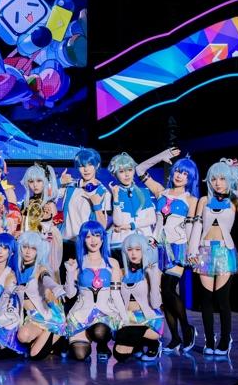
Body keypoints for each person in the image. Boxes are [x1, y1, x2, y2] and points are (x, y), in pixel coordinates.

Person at [135, 148, 199, 353]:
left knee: (169, 288)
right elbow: (139, 169)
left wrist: (192, 251)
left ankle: (187, 329)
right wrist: (162, 156)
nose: (180, 175)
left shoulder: (191, 200)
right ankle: (175, 338)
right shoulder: (160, 191)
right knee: (162, 294)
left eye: (186, 174)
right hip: (157, 248)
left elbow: (193, 228)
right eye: (178, 171)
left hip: (178, 247)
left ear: (191, 179)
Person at [189, 159, 238, 356]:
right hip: (205, 251)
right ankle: (209, 341)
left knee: (222, 299)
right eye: (214, 179)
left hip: (225, 252)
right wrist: (192, 251)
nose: (218, 183)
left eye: (222, 178)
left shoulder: (234, 200)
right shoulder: (204, 200)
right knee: (206, 300)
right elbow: (197, 226)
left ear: (229, 179)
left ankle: (225, 340)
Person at [63, 220, 126, 361]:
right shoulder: (77, 263)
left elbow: (116, 294)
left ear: (103, 238)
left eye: (97, 235)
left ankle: (102, 345)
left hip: (105, 313)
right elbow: (70, 294)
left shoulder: (112, 263)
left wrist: (124, 318)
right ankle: (86, 337)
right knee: (80, 354)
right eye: (88, 236)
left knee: (99, 332)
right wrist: (70, 273)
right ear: (83, 240)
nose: (93, 240)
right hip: (81, 315)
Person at [14, 233, 69, 360]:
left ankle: (57, 329)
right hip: (31, 318)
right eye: (25, 247)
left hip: (47, 315)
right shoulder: (17, 269)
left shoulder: (40, 268)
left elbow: (47, 279)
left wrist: (55, 288)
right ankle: (52, 339)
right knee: (22, 336)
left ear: (39, 251)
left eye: (33, 248)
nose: (28, 252)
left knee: (34, 355)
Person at [112, 233, 164, 362]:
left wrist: (153, 277)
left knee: (126, 336)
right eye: (129, 250)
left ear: (144, 250)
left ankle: (153, 343)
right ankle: (139, 344)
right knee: (119, 355)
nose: (133, 253)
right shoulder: (122, 272)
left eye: (138, 249)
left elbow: (156, 304)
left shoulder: (154, 271)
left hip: (148, 319)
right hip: (127, 318)